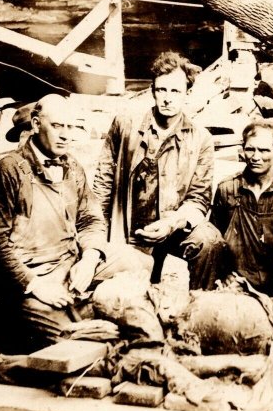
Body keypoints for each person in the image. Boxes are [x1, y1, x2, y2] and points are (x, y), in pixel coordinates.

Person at [0, 94, 120, 353]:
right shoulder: (8, 171)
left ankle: (85, 312)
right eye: (57, 126)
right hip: (31, 279)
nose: (66, 135)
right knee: (69, 341)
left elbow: (90, 219)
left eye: (72, 127)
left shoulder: (72, 167)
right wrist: (35, 285)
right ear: (35, 124)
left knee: (134, 264)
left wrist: (89, 259)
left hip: (70, 265)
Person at [92, 51, 225, 291]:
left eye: (175, 91)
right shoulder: (126, 125)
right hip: (130, 227)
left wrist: (172, 223)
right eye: (161, 90)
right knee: (131, 294)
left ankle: (197, 307)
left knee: (208, 241)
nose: (167, 99)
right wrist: (97, 234)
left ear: (187, 94)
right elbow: (103, 180)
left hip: (173, 226)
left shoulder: (200, 138)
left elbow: (199, 197)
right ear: (153, 91)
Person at [211, 121, 273, 296]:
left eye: (264, 150)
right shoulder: (228, 189)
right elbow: (215, 242)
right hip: (237, 283)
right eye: (250, 149)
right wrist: (225, 274)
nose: (255, 157)